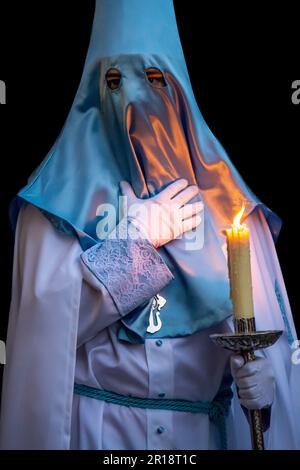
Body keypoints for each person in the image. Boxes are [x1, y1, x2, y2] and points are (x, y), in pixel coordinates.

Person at [0, 0, 299, 450]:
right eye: (114, 82)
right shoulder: (52, 208)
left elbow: (265, 351)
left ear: (180, 89)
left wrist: (262, 388)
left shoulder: (230, 208)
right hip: (96, 439)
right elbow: (39, 343)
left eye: (154, 80)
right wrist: (134, 245)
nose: (134, 99)